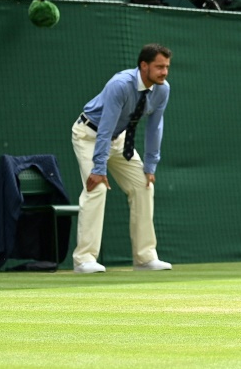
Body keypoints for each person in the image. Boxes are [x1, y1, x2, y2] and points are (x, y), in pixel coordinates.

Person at [71, 44, 173, 273]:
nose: (164, 72)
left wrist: (150, 166)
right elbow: (105, 128)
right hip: (90, 135)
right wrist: (99, 167)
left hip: (119, 140)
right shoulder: (120, 84)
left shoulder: (162, 89)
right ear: (144, 66)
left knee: (144, 186)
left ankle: (145, 258)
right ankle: (84, 259)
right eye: (159, 67)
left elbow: (155, 127)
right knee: (95, 188)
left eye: (166, 67)